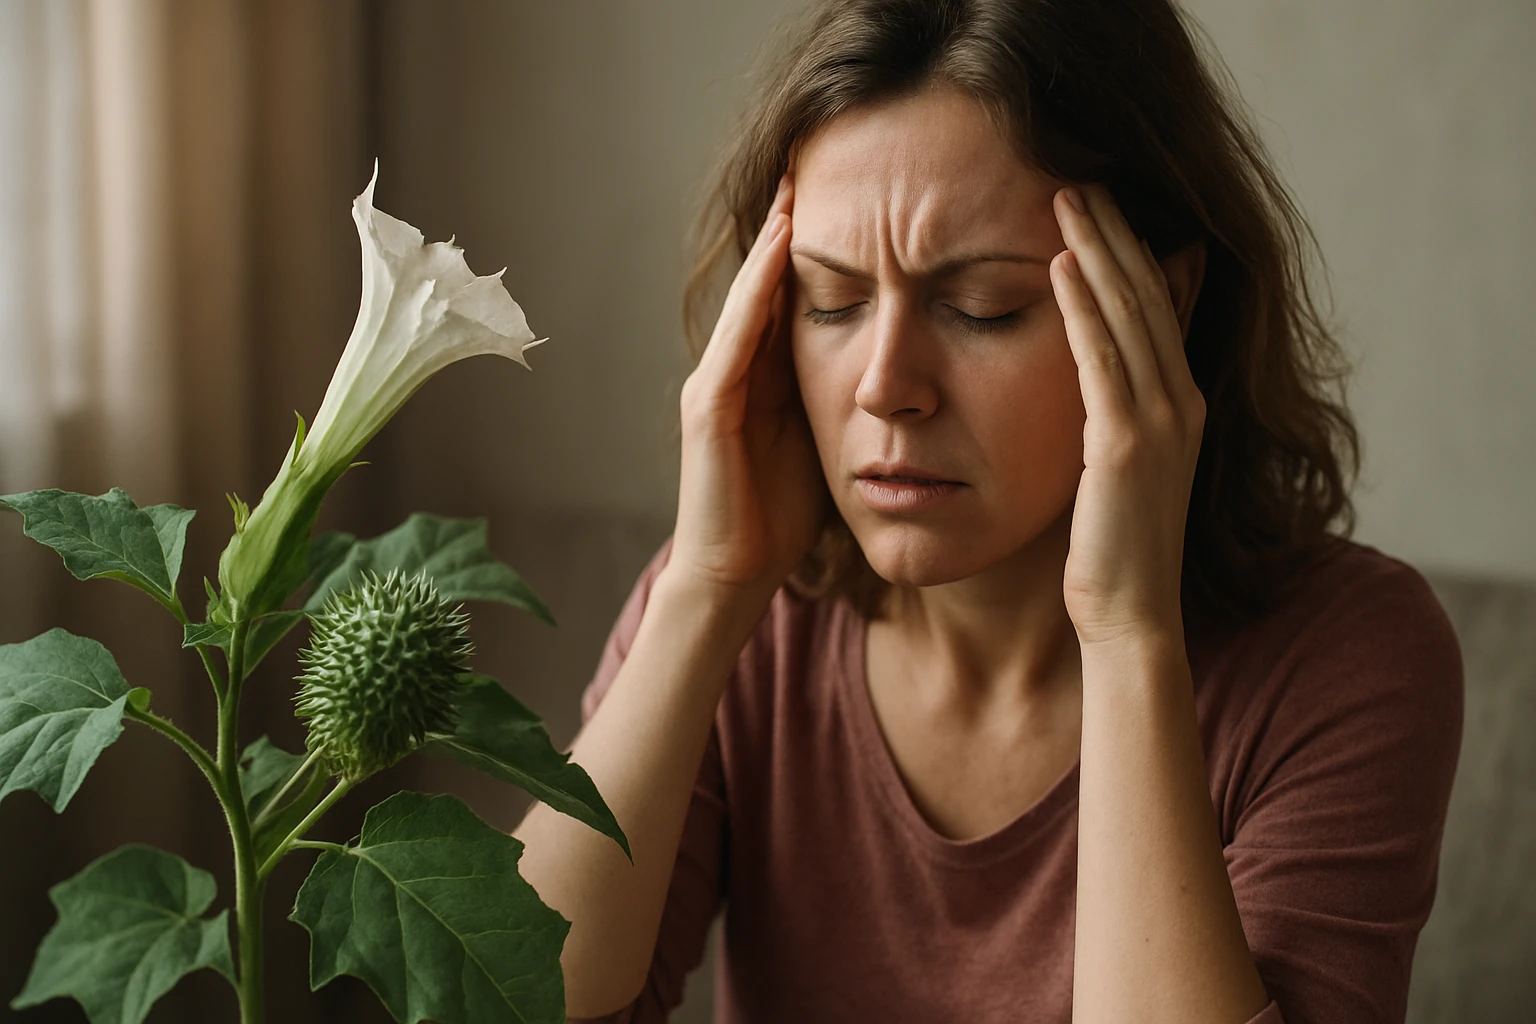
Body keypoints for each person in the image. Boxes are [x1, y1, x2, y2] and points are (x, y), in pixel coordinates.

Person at [511, 1, 1463, 1021]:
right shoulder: (738, 615)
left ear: (1161, 302)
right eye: (831, 300)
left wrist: (1129, 630)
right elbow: (504, 997)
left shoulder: (1347, 658)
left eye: (982, 309)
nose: (885, 385)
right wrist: (703, 598)